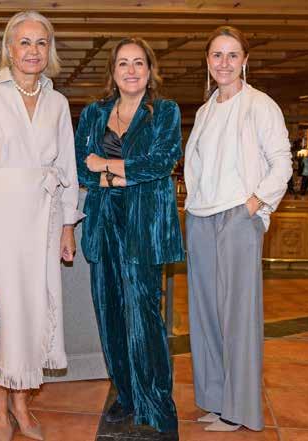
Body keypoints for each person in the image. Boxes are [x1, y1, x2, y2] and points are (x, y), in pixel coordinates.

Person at [0, 11, 82, 441]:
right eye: (24, 42)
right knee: (8, 310)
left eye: (41, 43)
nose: (33, 50)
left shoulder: (58, 102)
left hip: (45, 216)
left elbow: (68, 166)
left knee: (36, 308)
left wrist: (68, 224)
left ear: (50, 51)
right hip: (1, 218)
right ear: (9, 49)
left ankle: (21, 400)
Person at [184, 26, 292, 432]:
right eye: (217, 55)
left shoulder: (260, 105)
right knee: (206, 316)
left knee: (238, 317)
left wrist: (253, 203)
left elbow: (282, 162)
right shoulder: (206, 110)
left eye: (232, 55)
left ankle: (239, 409)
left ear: (245, 60)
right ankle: (216, 399)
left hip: (238, 216)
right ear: (207, 61)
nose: (224, 63)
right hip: (201, 217)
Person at [75, 37, 184, 433]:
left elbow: (160, 162)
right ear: (113, 71)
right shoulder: (94, 113)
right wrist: (114, 175)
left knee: (144, 316)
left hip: (143, 227)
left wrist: (105, 166)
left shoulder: (165, 111)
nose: (132, 70)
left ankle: (156, 403)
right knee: (110, 314)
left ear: (150, 70)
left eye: (139, 62)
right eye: (123, 63)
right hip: (104, 226)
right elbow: (80, 167)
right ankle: (126, 394)